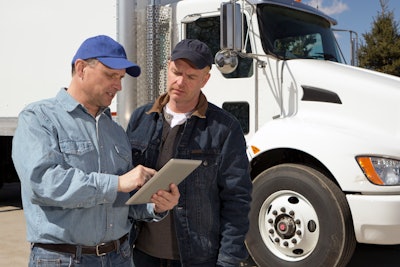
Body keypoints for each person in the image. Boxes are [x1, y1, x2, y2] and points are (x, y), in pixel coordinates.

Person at [11, 35, 180, 267]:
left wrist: (156, 205)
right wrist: (118, 183)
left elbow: (124, 199)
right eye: (111, 75)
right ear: (81, 69)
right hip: (63, 259)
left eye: (120, 78)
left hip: (119, 256)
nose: (118, 86)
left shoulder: (116, 131)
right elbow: (43, 183)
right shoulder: (39, 118)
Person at [126, 39, 252, 266]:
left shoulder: (224, 128)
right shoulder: (140, 119)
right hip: (140, 255)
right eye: (176, 72)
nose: (180, 82)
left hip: (197, 258)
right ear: (168, 67)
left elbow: (237, 199)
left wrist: (228, 260)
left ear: (206, 79)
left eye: (191, 77)